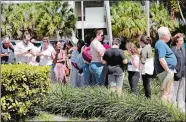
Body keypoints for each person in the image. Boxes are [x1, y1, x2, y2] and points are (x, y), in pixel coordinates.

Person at [154, 27, 177, 103]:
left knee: (170, 91)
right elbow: (161, 59)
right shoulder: (160, 44)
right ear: (164, 35)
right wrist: (168, 71)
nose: (170, 35)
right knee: (166, 92)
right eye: (169, 34)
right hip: (165, 71)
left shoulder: (162, 44)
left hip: (168, 71)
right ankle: (164, 110)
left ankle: (169, 109)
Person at [171, 33, 185, 113]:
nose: (182, 42)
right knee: (174, 91)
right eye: (181, 40)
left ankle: (181, 107)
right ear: (176, 42)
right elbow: (172, 61)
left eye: (183, 40)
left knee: (182, 90)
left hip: (183, 73)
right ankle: (173, 108)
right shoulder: (173, 49)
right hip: (176, 73)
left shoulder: (183, 49)